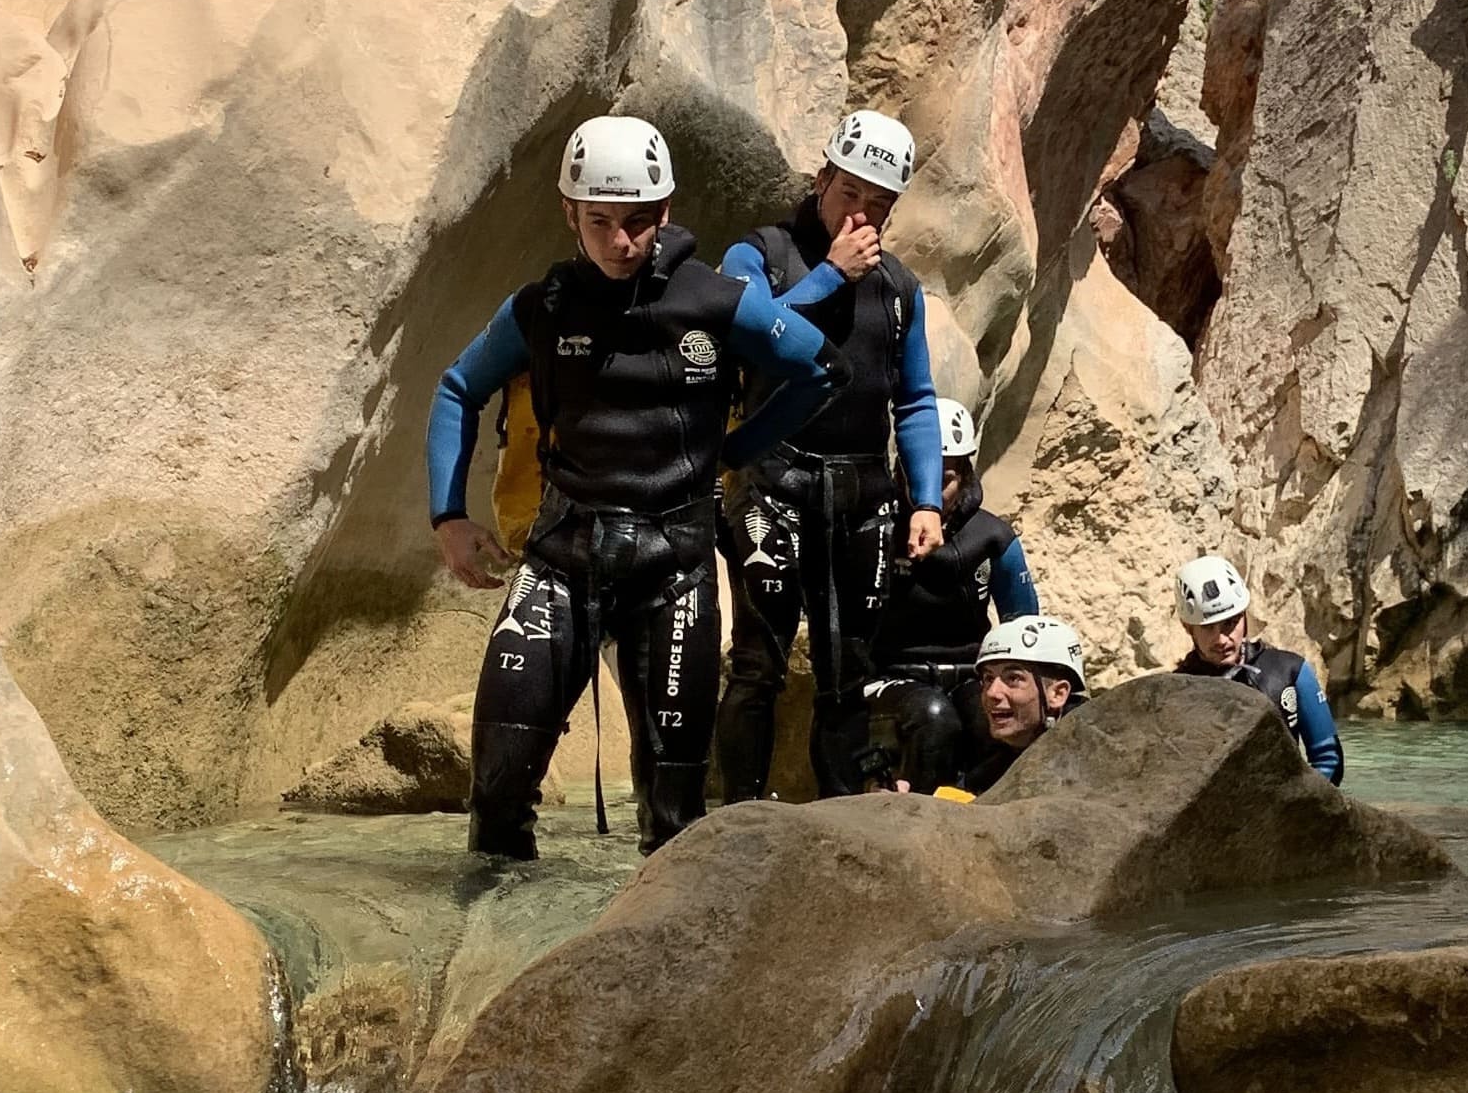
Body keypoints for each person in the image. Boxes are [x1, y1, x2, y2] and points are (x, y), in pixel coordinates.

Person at [426, 116, 840, 861]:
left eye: (640, 223)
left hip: (675, 571)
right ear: (570, 215)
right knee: (495, 794)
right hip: (560, 563)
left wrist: (736, 449)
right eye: (601, 223)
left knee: (674, 814)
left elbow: (821, 370)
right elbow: (459, 387)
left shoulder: (719, 301)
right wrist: (448, 516)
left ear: (667, 211)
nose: (622, 242)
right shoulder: (544, 306)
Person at [714, 110, 948, 803]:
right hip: (772, 477)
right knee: (759, 663)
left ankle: (840, 819)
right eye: (850, 195)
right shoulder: (758, 252)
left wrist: (927, 498)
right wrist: (826, 277)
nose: (862, 217)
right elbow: (749, 335)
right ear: (822, 180)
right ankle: (739, 817)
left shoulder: (900, 288)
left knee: (849, 670)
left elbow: (915, 398)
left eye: (880, 206)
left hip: (862, 490)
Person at [860, 400, 1038, 795]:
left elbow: (1025, 625)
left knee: (996, 718)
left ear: (966, 474)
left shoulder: (993, 538)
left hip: (971, 674)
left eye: (947, 478)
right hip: (890, 678)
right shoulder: (874, 530)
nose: (933, 489)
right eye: (920, 474)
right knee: (934, 718)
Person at [1167, 554, 1343, 783]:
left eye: (1230, 623)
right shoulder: (1174, 693)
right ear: (1188, 627)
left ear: (1244, 616)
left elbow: (1328, 759)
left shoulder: (1290, 672)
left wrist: (1298, 813)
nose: (1221, 639)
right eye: (1208, 627)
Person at [897, 614, 1085, 798]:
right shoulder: (991, 771)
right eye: (988, 678)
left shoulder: (1090, 759)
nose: (992, 693)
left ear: (1057, 694)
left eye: (1013, 678)